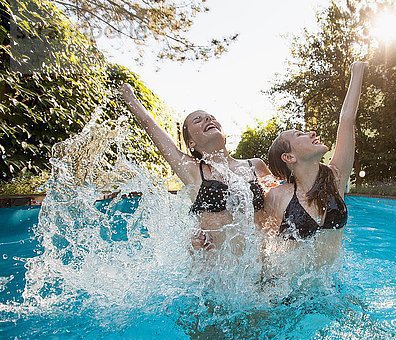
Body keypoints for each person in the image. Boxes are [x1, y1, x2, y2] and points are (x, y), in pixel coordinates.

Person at [120, 83, 271, 250]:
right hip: (218, 272)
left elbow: (280, 205)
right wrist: (130, 97)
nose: (208, 119)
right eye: (198, 120)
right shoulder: (193, 171)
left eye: (211, 117)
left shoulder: (255, 166)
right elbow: (150, 125)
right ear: (191, 143)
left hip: (261, 270)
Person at [265, 62, 366, 260]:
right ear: (289, 157)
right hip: (288, 289)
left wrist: (358, 70)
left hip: (330, 288)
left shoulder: (335, 177)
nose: (311, 132)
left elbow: (346, 119)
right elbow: (256, 241)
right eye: (299, 134)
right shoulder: (277, 197)